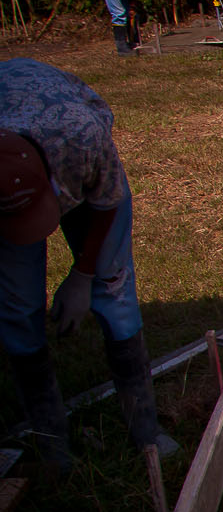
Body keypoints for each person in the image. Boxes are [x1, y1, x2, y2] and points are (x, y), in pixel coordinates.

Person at [0, 58, 177, 473]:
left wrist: (81, 277)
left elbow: (107, 202)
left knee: (113, 290)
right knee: (16, 309)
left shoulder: (80, 136)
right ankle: (52, 446)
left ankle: (145, 429)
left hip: (74, 151)